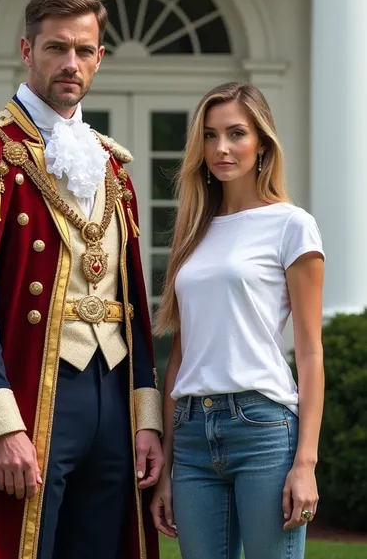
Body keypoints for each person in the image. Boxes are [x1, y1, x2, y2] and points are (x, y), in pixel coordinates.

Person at [0, 0, 164, 559]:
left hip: (112, 401)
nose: (71, 63)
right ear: (27, 49)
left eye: (85, 51)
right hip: (30, 396)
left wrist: (147, 420)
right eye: (56, 48)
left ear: (100, 59)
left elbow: (133, 304)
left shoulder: (113, 168)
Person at [150, 82, 325, 559]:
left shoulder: (292, 225)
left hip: (263, 428)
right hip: (190, 434)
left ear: (262, 144)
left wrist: (305, 462)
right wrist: (166, 468)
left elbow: (310, 351)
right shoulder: (193, 231)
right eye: (209, 136)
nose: (221, 148)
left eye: (236, 134)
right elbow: (182, 356)